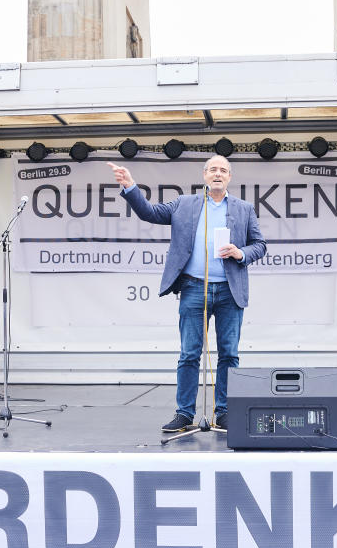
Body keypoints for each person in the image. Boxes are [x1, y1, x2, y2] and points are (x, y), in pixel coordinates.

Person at [108, 156, 267, 432]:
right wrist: (130, 186)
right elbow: (150, 213)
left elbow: (260, 245)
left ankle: (225, 412)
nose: (218, 174)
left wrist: (241, 253)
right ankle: (184, 413)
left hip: (231, 291)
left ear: (230, 177)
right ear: (204, 175)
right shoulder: (184, 204)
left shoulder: (244, 209)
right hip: (194, 288)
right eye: (213, 170)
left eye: (223, 170)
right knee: (189, 354)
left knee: (229, 354)